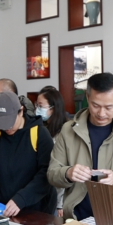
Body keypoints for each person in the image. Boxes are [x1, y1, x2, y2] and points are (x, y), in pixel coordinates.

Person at [48, 73, 113, 220]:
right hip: (76, 217)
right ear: (87, 97)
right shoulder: (68, 130)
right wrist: (68, 173)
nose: (101, 113)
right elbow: (52, 174)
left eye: (109, 107)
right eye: (95, 105)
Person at [36, 87, 71, 216]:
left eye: (41, 106)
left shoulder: (65, 132)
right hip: (42, 190)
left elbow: (63, 168)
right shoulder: (42, 128)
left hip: (58, 196)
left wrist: (59, 204)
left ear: (53, 108)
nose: (37, 109)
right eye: (36, 105)